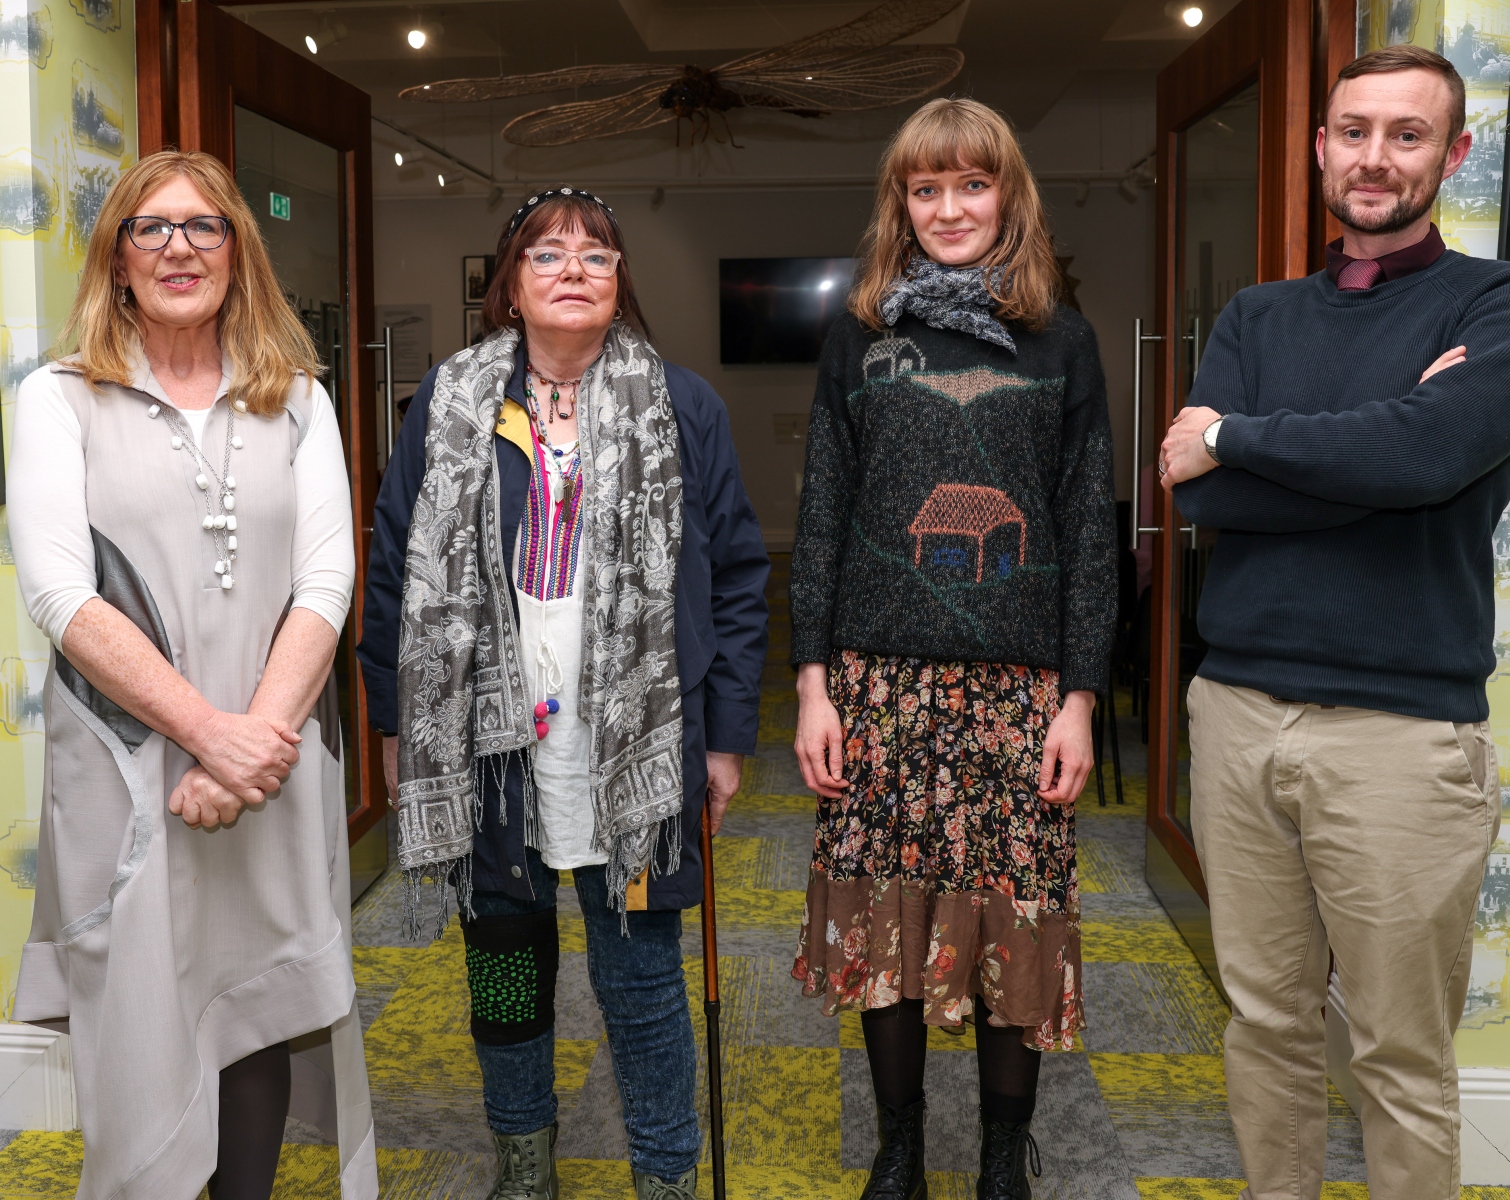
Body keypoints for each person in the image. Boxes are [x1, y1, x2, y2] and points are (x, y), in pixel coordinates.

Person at [1157, 45, 1510, 1200]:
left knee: (1395, 1053)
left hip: (1399, 736)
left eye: (1405, 133)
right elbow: (1201, 499)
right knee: (1264, 1022)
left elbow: (1422, 459)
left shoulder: (1502, 301)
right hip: (1235, 715)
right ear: (1319, 146)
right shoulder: (1255, 314)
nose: (1373, 156)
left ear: (1452, 152)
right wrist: (1374, 445)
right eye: (1352, 131)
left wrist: (1235, 437)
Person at [357, 188, 769, 1200]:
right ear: (510, 286)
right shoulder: (448, 401)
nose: (573, 268)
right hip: (485, 747)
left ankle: (665, 1173)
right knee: (505, 977)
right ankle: (523, 1162)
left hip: (634, 744)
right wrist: (395, 722)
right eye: (546, 254)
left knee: (641, 983)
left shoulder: (682, 405)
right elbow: (393, 566)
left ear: (620, 280)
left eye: (595, 253)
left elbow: (736, 577)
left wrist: (724, 737)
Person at [8, 150, 375, 1200]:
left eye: (204, 226)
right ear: (117, 258)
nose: (179, 248)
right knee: (138, 1003)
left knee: (251, 999)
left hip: (270, 754)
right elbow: (60, 595)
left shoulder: (297, 399)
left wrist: (248, 745)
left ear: (236, 251)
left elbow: (325, 580)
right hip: (131, 770)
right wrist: (212, 737)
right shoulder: (60, 398)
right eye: (152, 228)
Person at [789, 98, 1117, 1200]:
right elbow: (822, 513)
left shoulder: (1061, 338)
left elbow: (1085, 528)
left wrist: (1080, 698)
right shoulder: (859, 334)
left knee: (1009, 925)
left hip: (1019, 697)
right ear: (900, 204)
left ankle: (998, 1160)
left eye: (971, 184)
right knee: (885, 920)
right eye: (924, 188)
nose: (948, 209)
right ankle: (898, 1150)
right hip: (878, 688)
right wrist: (812, 684)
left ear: (1007, 195)